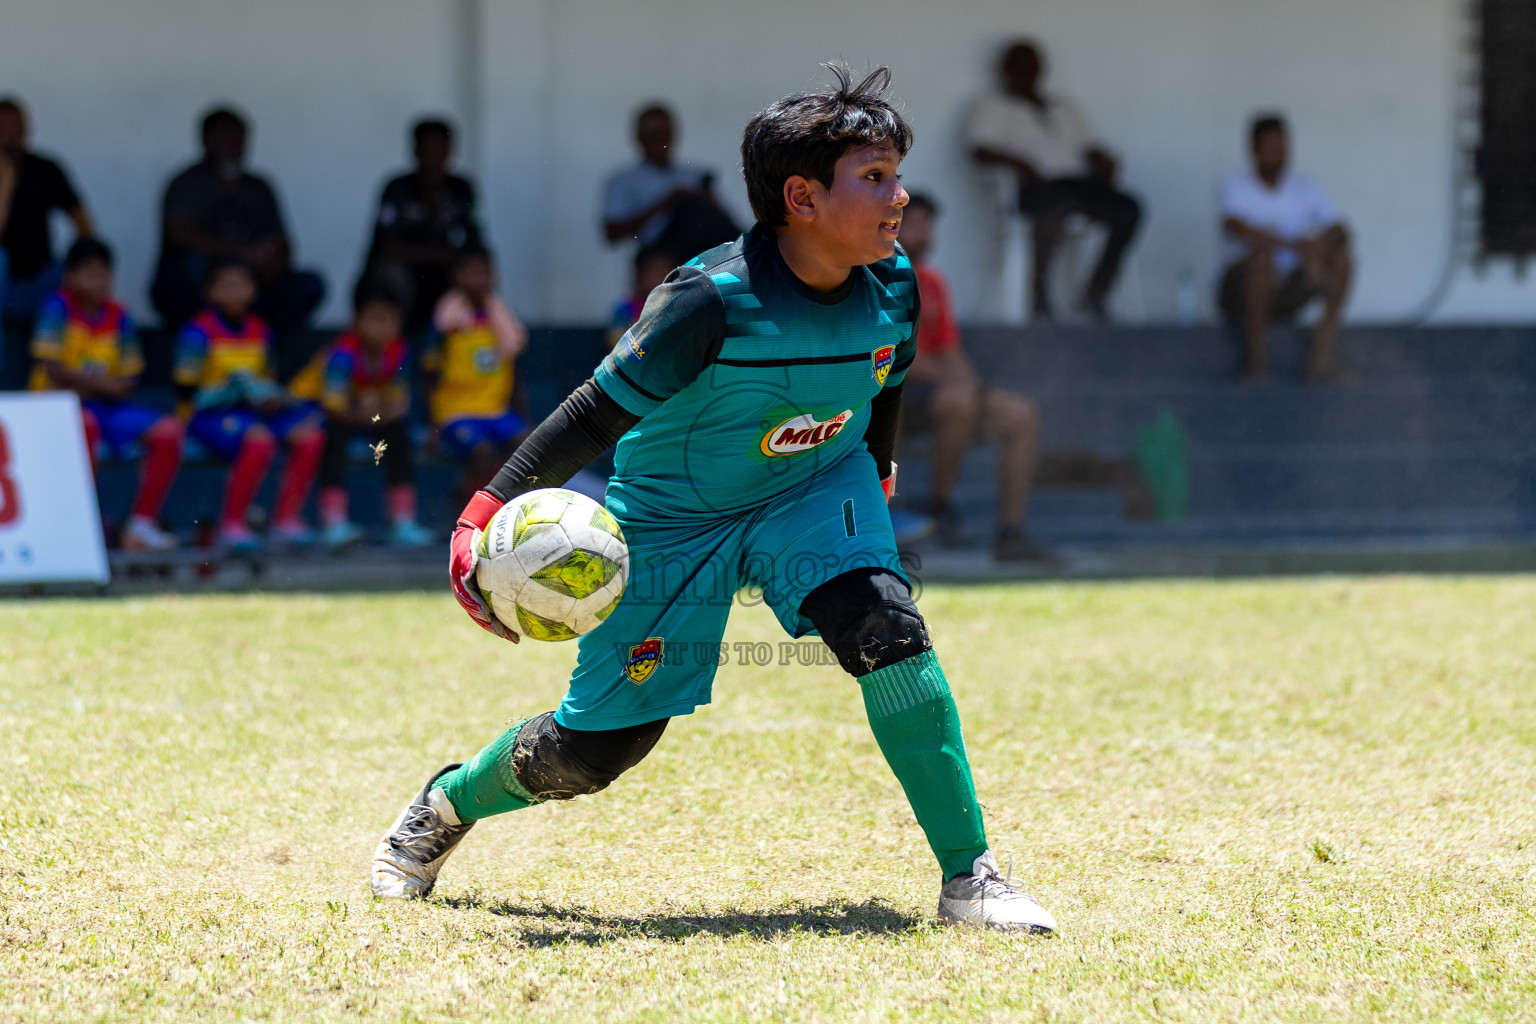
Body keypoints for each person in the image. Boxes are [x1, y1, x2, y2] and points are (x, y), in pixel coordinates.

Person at [370, 63, 1057, 935]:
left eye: (896, 174)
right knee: (599, 749)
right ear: (802, 198)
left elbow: (885, 384)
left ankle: (972, 880)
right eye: (875, 178)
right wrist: (479, 518)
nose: (901, 197)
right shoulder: (706, 300)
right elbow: (591, 414)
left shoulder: (895, 283)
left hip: (814, 484)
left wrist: (877, 476)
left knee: (886, 630)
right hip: (671, 518)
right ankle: (444, 808)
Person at [897, 195, 1045, 561]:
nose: (923, 234)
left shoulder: (933, 281)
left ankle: (1012, 534)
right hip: (893, 398)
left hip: (940, 393)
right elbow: (889, 357)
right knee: (957, 400)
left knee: (1020, 413)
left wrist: (974, 387)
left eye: (928, 225)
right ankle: (940, 505)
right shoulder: (877, 275)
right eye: (912, 224)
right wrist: (960, 387)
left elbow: (951, 350)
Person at [969, 40, 1141, 321]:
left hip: (1080, 185)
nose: (1028, 73)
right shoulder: (994, 106)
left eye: (1033, 67)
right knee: (1054, 206)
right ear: (1006, 71)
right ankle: (1039, 297)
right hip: (1034, 188)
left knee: (1129, 209)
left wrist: (1104, 160)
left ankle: (1095, 292)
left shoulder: (1062, 106)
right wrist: (1020, 164)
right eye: (1021, 67)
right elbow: (979, 151)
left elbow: (1090, 146)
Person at [29, 238, 182, 551]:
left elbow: (128, 378)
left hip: (108, 407)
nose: (98, 282)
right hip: (57, 409)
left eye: (104, 274)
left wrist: (93, 385)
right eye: (89, 274)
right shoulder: (57, 307)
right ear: (69, 277)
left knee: (169, 431)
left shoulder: (119, 314)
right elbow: (51, 368)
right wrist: (101, 385)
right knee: (85, 425)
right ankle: (82, 522)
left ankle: (141, 524)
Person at [173, 260, 324, 551]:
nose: (235, 292)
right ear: (210, 292)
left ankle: (286, 520)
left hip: (253, 414)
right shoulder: (197, 332)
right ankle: (232, 524)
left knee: (310, 435)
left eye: (242, 285)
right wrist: (233, 393)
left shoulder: (260, 330)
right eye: (226, 286)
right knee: (259, 440)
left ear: (253, 290)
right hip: (206, 416)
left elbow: (266, 379)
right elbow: (185, 391)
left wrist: (271, 400)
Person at [152, 107, 325, 353]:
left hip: (252, 286)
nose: (233, 146)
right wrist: (238, 254)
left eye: (239, 138)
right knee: (188, 271)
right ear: (205, 141)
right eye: (224, 138)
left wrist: (267, 263)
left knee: (308, 284)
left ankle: (266, 356)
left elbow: (282, 245)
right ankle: (201, 354)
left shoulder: (258, 187)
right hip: (202, 287)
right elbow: (178, 234)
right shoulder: (186, 184)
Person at [298, 281, 434, 549]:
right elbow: (333, 408)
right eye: (374, 319)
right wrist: (367, 413)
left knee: (399, 437)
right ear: (356, 321)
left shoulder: (399, 351)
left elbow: (399, 402)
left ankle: (401, 521)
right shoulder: (341, 355)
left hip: (370, 416)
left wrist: (378, 414)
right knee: (332, 440)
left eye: (389, 320)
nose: (382, 328)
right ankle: (333, 522)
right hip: (321, 413)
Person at [1220, 114, 1353, 382]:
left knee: (1342, 260)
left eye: (1281, 146)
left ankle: (1321, 361)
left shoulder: (1305, 186)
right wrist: (1299, 247)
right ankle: (1257, 366)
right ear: (1254, 149)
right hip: (1238, 292)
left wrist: (1321, 247)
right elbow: (1236, 227)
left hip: (1287, 291)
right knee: (1261, 261)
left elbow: (1341, 230)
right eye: (1269, 146)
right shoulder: (1235, 186)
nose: (1276, 154)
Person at [0, 97, 97, 384]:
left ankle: (72, 372)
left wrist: (83, 260)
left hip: (39, 278)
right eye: (2, 129)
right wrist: (5, 181)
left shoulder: (44, 167)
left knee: (74, 273)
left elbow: (82, 220)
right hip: (2, 280)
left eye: (16, 128)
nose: (10, 136)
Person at [421, 245, 530, 501]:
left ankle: (508, 508)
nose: (479, 279)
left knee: (529, 445)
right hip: (456, 414)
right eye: (471, 273)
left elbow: (514, 371)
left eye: (484, 272)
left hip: (496, 411)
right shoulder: (444, 322)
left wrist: (525, 417)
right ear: (456, 277)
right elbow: (429, 374)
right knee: (482, 453)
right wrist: (432, 426)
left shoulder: (503, 319)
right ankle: (469, 505)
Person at [360, 119, 484, 336]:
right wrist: (442, 255)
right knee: (390, 274)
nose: (435, 158)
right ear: (416, 151)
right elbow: (388, 248)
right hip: (402, 281)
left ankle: (473, 343)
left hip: (443, 277)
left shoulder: (460, 188)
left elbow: (475, 237)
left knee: (475, 269)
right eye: (429, 149)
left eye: (442, 149)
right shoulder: (397, 188)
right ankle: (396, 348)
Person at [602, 104, 740, 268]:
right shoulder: (624, 180)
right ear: (640, 137)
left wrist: (707, 198)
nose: (662, 142)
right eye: (655, 135)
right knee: (686, 207)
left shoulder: (692, 173)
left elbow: (723, 220)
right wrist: (667, 202)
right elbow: (612, 234)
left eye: (666, 135)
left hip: (701, 249)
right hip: (659, 252)